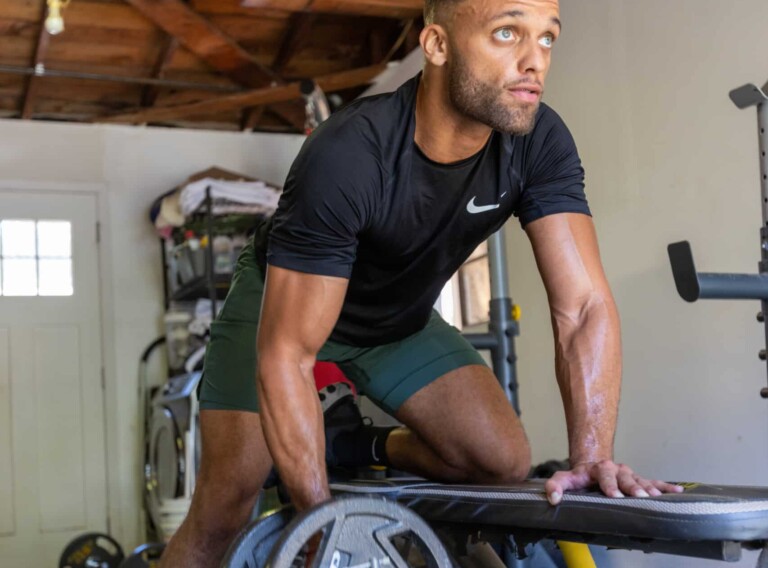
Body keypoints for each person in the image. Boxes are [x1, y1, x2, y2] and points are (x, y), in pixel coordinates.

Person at [159, 0, 683, 565]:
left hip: (397, 321)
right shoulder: (348, 153)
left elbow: (582, 306)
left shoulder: (539, 141)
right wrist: (324, 526)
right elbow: (287, 354)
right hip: (281, 310)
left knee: (501, 461)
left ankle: (353, 442)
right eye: (507, 33)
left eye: (548, 38)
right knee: (223, 511)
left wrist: (592, 456)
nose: (535, 60)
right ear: (436, 46)